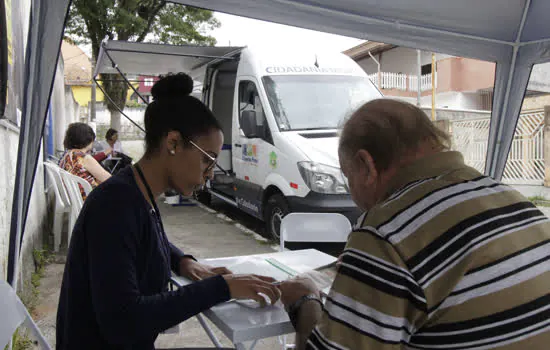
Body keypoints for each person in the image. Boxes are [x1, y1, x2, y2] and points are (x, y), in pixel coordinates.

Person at [278, 99, 550, 349]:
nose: (352, 191)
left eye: (348, 176)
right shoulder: (512, 199)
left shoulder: (384, 231)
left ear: (366, 165)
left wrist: (305, 301)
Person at [56, 73, 280, 350]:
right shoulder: (114, 206)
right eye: (207, 160)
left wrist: (182, 261)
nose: (210, 174)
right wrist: (222, 287)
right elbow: (123, 321)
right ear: (173, 143)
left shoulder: (136, 192)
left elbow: (144, 237)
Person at [59, 123, 112, 200]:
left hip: (73, 198)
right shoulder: (83, 158)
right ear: (88, 139)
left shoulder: (67, 155)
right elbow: (110, 180)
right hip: (89, 200)